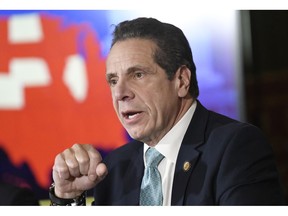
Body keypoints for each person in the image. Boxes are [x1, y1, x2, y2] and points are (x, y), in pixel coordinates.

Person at [49, 17, 285, 206]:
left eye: (138, 75)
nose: (120, 93)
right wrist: (67, 199)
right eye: (112, 80)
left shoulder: (235, 147)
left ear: (181, 80)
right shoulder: (115, 168)